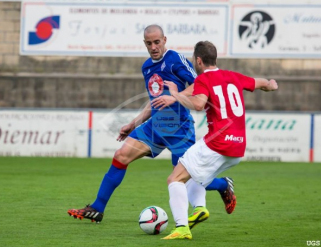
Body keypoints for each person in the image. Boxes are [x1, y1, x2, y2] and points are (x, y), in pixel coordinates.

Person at [67, 25, 236, 225]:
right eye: (149, 43)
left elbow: (199, 84)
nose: (154, 46)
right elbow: (154, 99)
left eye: (157, 42)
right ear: (145, 44)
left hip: (179, 128)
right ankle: (97, 208)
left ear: (165, 40)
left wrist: (175, 97)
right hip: (155, 127)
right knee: (121, 156)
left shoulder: (175, 60)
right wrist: (134, 122)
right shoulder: (147, 66)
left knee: (187, 177)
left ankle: (223, 185)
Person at [161, 41, 278, 240]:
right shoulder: (233, 76)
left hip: (217, 144)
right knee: (195, 176)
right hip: (237, 148)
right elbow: (263, 84)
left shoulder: (203, 79)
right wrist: (271, 84)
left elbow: (198, 104)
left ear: (198, 60)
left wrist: (174, 94)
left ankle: (181, 228)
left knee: (174, 179)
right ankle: (199, 209)